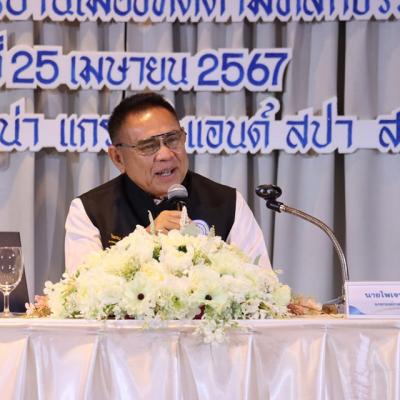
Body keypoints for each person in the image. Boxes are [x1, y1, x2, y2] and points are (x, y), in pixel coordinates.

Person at [65, 92, 271, 272]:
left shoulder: (227, 202)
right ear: (118, 158)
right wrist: (143, 241)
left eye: (172, 139)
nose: (165, 155)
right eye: (148, 146)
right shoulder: (90, 210)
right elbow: (80, 288)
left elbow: (262, 283)